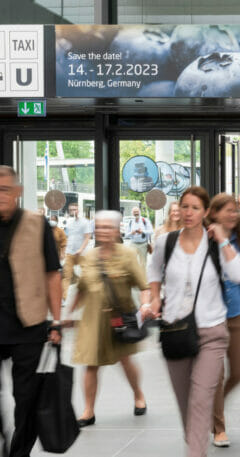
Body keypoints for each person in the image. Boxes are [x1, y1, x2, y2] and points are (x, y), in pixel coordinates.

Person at [143, 186, 240, 457]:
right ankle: (197, 448)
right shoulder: (166, 242)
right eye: (184, 206)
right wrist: (154, 298)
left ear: (205, 213)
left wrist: (224, 240)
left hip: (211, 331)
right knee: (185, 403)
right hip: (175, 331)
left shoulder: (214, 243)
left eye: (195, 208)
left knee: (201, 399)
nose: (188, 213)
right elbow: (153, 272)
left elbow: (239, 275)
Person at [0, 165, 63, 457]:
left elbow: (53, 275)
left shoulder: (38, 226)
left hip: (29, 325)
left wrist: (57, 321)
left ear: (18, 192)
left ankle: (18, 453)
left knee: (26, 399)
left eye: (4, 190)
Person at [69, 211, 149, 427]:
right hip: (92, 321)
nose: (102, 231)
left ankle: (138, 395)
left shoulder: (128, 254)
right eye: (99, 227)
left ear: (116, 230)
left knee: (125, 361)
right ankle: (88, 411)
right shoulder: (90, 257)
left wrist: (145, 304)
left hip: (118, 320)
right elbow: (82, 289)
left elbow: (144, 285)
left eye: (107, 227)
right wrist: (66, 316)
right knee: (91, 365)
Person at [207, 194, 240, 448]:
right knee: (216, 375)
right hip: (211, 316)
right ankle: (219, 428)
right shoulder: (202, 239)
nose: (234, 214)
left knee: (238, 372)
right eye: (228, 210)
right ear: (214, 213)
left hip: (237, 312)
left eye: (236, 210)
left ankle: (211, 408)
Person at [63, 201, 92, 300]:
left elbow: (87, 237)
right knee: (66, 275)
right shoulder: (68, 222)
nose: (73, 211)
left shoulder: (85, 222)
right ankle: (63, 298)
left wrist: (80, 249)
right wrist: (64, 250)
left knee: (86, 273)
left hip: (81, 253)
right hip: (70, 252)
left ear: (78, 210)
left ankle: (87, 293)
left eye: (74, 209)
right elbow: (67, 236)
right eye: (71, 210)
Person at [126, 206, 154, 272]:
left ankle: (143, 279)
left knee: (143, 263)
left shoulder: (145, 220)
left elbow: (151, 231)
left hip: (143, 244)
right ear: (132, 213)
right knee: (131, 262)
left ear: (140, 212)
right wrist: (131, 233)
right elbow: (126, 234)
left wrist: (142, 231)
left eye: (137, 211)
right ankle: (134, 278)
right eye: (134, 212)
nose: (136, 213)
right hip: (133, 244)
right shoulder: (130, 222)